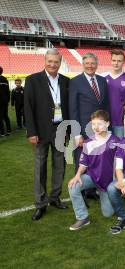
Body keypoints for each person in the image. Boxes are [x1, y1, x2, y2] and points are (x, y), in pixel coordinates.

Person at [24, 48, 70, 220]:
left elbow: (68, 107)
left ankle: (55, 197)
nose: (52, 64)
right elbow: (28, 108)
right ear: (45, 61)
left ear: (60, 63)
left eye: (56, 62)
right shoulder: (32, 80)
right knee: (40, 168)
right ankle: (40, 203)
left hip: (60, 130)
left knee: (60, 166)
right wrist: (31, 131)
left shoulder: (66, 81)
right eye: (49, 61)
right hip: (40, 131)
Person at [67, 110, 118, 230]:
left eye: (99, 124)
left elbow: (120, 165)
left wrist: (117, 182)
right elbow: (84, 163)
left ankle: (108, 195)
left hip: (108, 182)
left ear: (107, 124)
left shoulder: (115, 141)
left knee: (108, 214)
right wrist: (78, 175)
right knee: (73, 186)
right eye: (93, 124)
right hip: (92, 178)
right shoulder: (88, 142)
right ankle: (82, 218)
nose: (96, 127)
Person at [70, 52, 109, 172]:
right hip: (83, 130)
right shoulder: (75, 81)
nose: (90, 66)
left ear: (97, 64)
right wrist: (77, 133)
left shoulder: (102, 80)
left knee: (97, 159)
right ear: (83, 64)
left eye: (93, 63)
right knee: (82, 160)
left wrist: (107, 126)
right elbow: (73, 108)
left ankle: (94, 188)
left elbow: (105, 105)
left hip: (101, 129)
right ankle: (81, 188)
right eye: (87, 63)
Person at [102, 49, 125, 138]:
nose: (116, 63)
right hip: (105, 121)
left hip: (121, 122)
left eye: (119, 61)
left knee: (121, 148)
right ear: (111, 61)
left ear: (123, 62)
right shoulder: (103, 78)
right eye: (114, 60)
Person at [0, 66, 11, 136]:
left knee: (0, 117)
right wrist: (8, 100)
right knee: (5, 116)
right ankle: (9, 130)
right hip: (5, 101)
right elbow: (8, 91)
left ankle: (2, 132)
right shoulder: (5, 79)